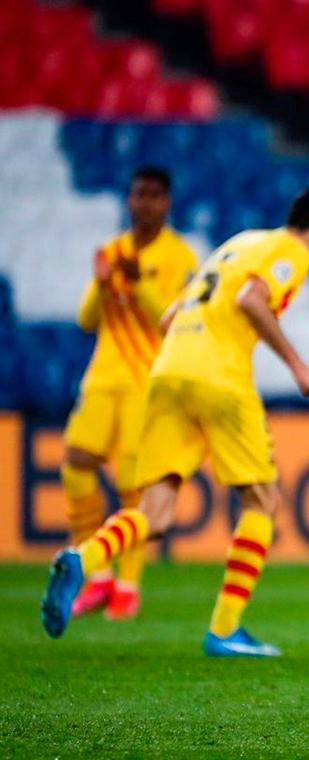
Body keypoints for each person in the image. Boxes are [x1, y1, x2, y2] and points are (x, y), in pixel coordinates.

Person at [40, 188, 309, 657]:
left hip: (168, 371)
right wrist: (298, 366)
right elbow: (251, 298)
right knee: (263, 501)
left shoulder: (239, 243)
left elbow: (169, 317)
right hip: (220, 377)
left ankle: (83, 559)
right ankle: (224, 630)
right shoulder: (291, 249)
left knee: (155, 512)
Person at [63, 166, 197, 621]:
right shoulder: (111, 251)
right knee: (76, 463)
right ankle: (96, 575)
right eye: (139, 195)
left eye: (155, 196)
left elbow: (177, 321)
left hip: (147, 382)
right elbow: (86, 319)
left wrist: (139, 284)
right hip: (102, 377)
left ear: (168, 203)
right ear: (128, 200)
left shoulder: (180, 257)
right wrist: (102, 284)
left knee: (131, 487)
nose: (145, 203)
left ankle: (128, 585)